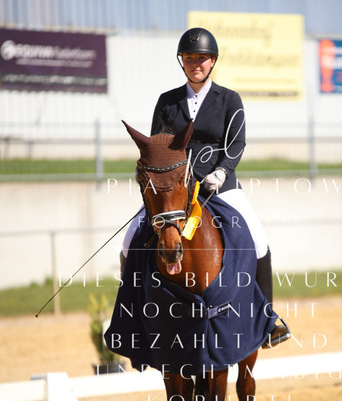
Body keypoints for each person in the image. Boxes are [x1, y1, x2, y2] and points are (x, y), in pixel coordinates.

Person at [122, 27, 290, 348]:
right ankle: (133, 319)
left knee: (258, 241)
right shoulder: (167, 101)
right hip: (175, 191)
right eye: (188, 58)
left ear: (212, 61)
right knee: (130, 240)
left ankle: (267, 321)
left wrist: (222, 172)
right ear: (181, 62)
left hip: (220, 187)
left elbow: (236, 143)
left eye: (201, 58)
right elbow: (158, 147)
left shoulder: (229, 99)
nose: (195, 64)